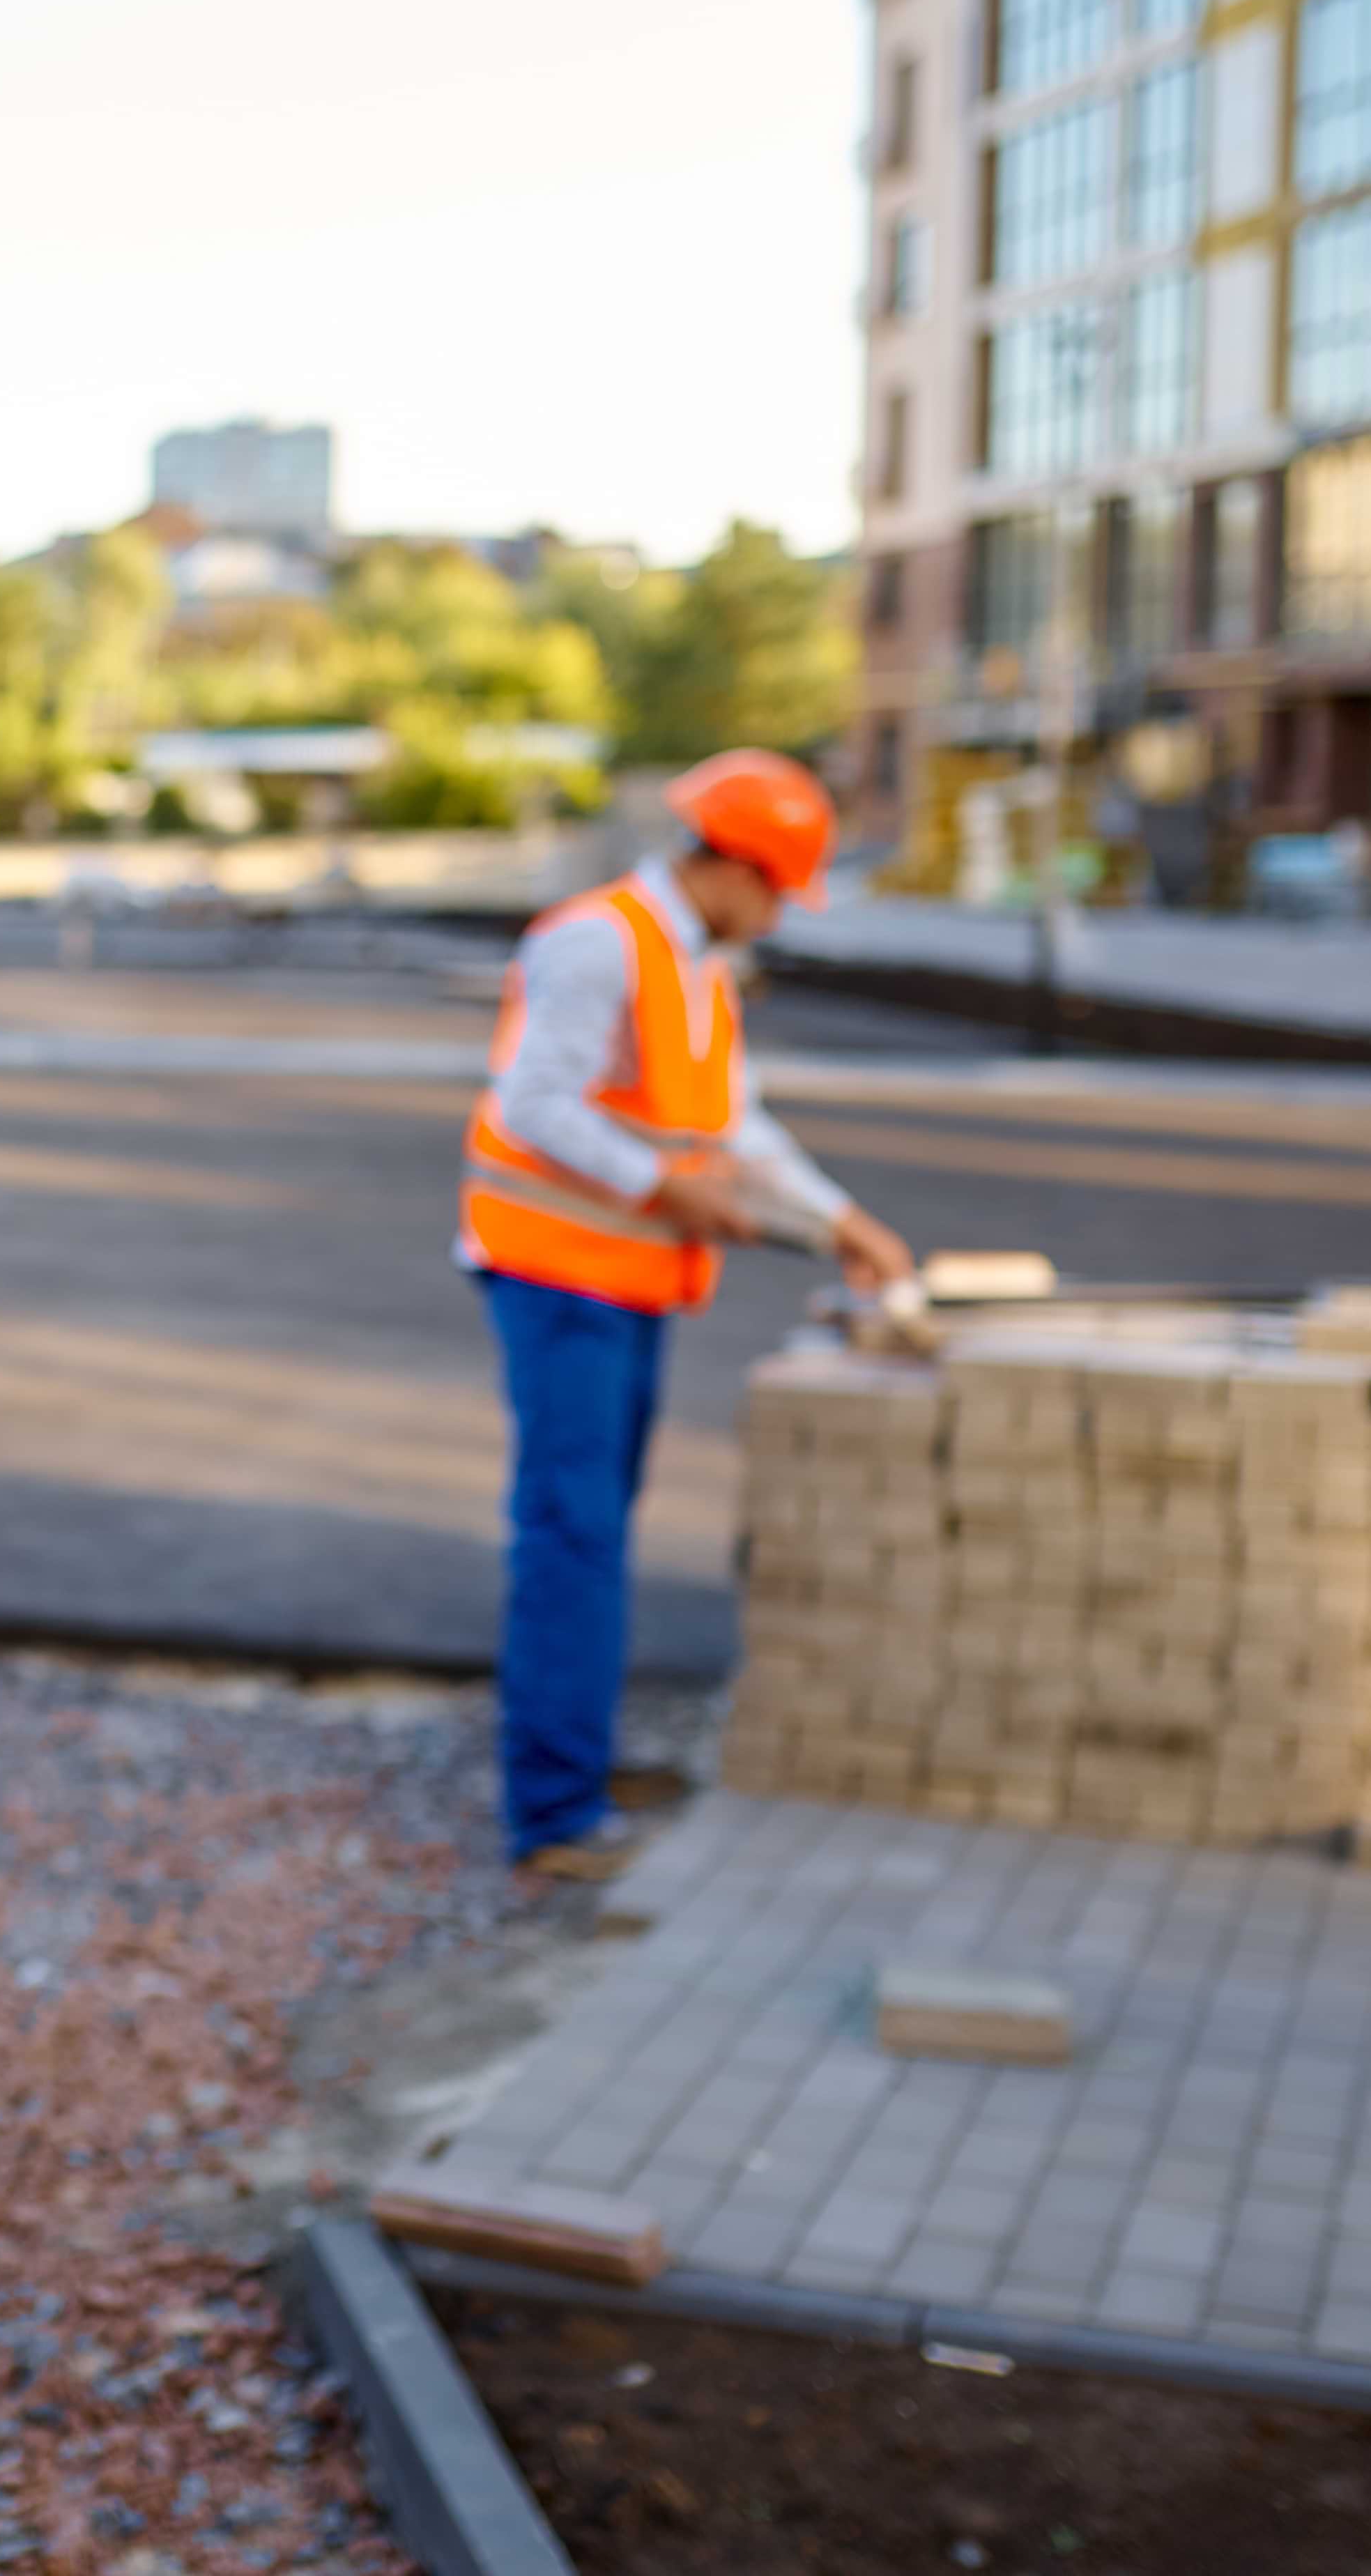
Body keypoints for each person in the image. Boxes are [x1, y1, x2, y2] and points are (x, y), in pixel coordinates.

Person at [457, 751, 911, 1889]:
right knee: (574, 1538)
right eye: (775, 893)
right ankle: (552, 1813)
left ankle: (577, 1767)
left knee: (595, 1530)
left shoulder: (694, 964)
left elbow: (735, 1127)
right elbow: (535, 1104)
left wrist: (839, 1218)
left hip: (626, 1279)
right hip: (557, 1277)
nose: (775, 920)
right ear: (735, 867)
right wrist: (668, 1191)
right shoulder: (598, 942)